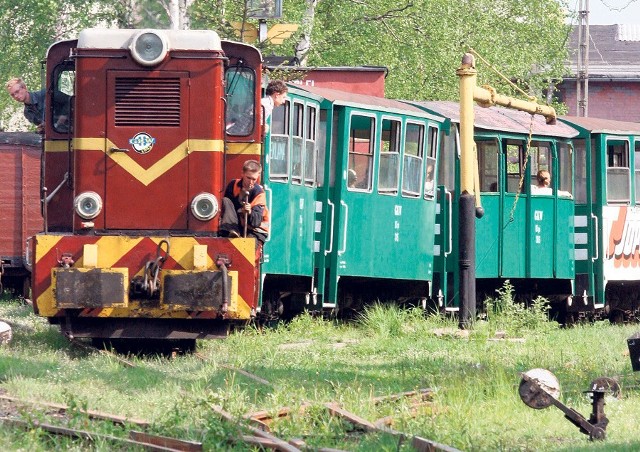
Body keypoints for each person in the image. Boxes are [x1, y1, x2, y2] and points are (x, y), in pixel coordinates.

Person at [219, 160, 270, 244]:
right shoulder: (233, 185)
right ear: (242, 173)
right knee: (226, 200)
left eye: (254, 179)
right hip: (238, 227)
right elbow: (227, 208)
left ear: (258, 176)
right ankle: (232, 230)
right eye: (248, 178)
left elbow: (256, 222)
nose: (250, 182)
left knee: (245, 247)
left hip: (256, 231)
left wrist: (249, 212)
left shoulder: (259, 193)